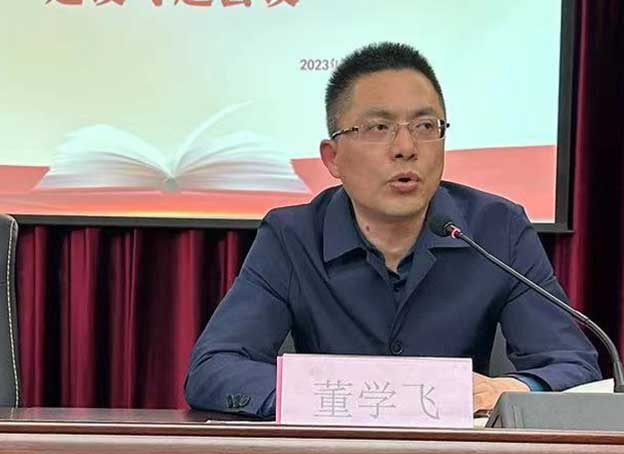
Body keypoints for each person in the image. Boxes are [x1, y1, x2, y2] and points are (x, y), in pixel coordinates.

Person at [184, 42, 601, 418]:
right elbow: (213, 370)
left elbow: (574, 365)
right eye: (378, 128)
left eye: (425, 126)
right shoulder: (291, 237)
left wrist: (510, 390)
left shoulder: (497, 229)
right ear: (332, 158)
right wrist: (339, 396)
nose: (406, 148)